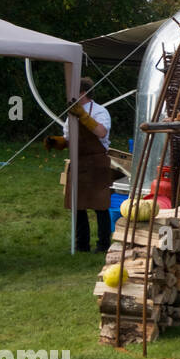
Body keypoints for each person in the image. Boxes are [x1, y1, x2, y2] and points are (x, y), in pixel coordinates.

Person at [56, 76, 115, 252]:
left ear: (82, 92)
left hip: (97, 162)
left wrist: (83, 116)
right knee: (78, 205)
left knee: (100, 205)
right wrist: (57, 142)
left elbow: (102, 132)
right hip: (79, 161)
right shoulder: (71, 114)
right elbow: (68, 138)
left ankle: (103, 245)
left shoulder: (100, 111)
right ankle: (82, 245)